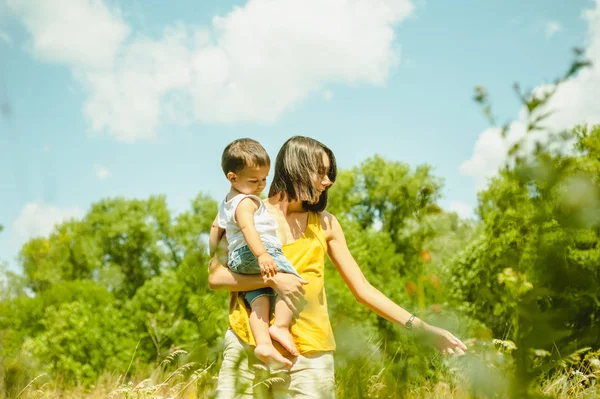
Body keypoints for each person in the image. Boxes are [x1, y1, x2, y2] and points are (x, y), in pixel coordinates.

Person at [208, 136, 467, 398]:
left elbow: (363, 289)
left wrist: (422, 328)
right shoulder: (245, 212)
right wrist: (273, 281)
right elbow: (216, 277)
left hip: (309, 357)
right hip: (247, 345)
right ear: (296, 168)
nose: (328, 181)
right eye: (320, 172)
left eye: (329, 173)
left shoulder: (326, 224)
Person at [209, 138, 301, 370]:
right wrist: (262, 255)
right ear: (233, 178)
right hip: (257, 252)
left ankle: (263, 343)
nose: (261, 185)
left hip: (237, 260)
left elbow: (214, 229)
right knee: (293, 281)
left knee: (259, 299)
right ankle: (280, 326)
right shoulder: (246, 202)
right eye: (254, 180)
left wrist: (215, 255)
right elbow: (249, 228)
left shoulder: (227, 203)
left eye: (264, 179)